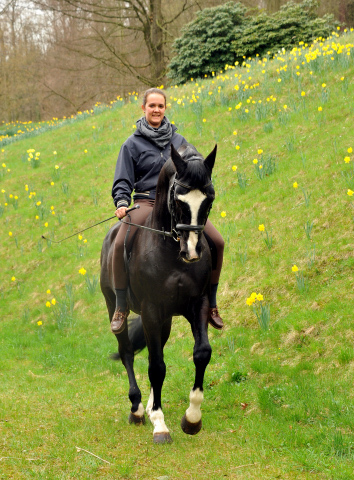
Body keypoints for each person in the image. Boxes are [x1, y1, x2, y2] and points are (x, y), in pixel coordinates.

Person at [110, 88, 224, 335]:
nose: (156, 110)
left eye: (160, 106)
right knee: (119, 243)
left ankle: (212, 305)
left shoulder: (179, 141)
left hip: (178, 207)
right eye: (152, 106)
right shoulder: (131, 144)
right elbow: (122, 180)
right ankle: (121, 306)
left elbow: (194, 167)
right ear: (143, 108)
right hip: (146, 204)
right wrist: (121, 202)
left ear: (165, 109)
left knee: (218, 241)